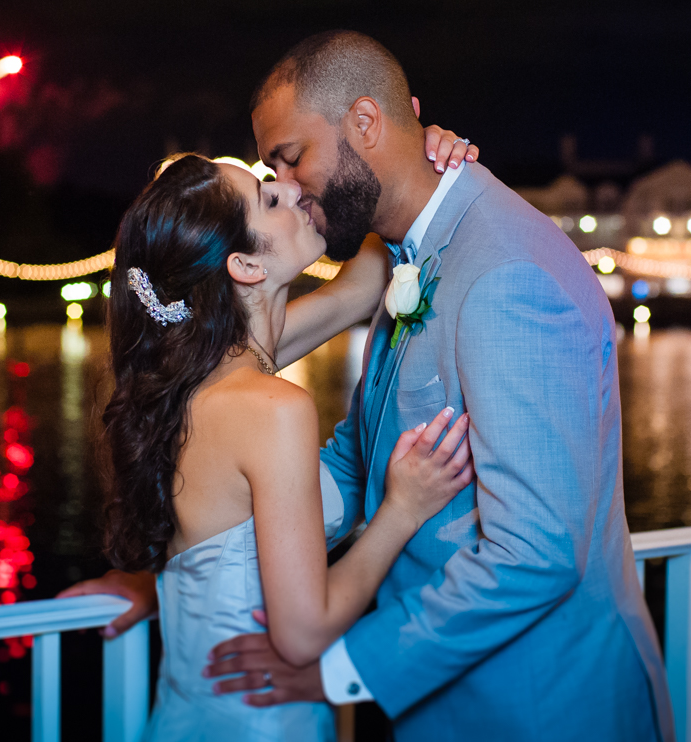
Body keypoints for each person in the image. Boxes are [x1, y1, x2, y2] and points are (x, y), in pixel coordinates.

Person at [67, 30, 671, 740]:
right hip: (431, 707)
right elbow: (350, 458)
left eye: (289, 160)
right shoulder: (401, 263)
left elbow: (537, 553)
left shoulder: (507, 273)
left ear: (363, 124)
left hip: (537, 709)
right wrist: (184, 568)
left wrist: (339, 668)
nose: (289, 187)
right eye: (270, 181)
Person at [75, 131, 479, 741]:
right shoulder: (270, 405)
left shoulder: (201, 374)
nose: (289, 186)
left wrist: (408, 153)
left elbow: (360, 289)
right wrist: (402, 508)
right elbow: (302, 631)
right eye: (268, 199)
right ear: (245, 265)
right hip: (258, 720)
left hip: (193, 711)